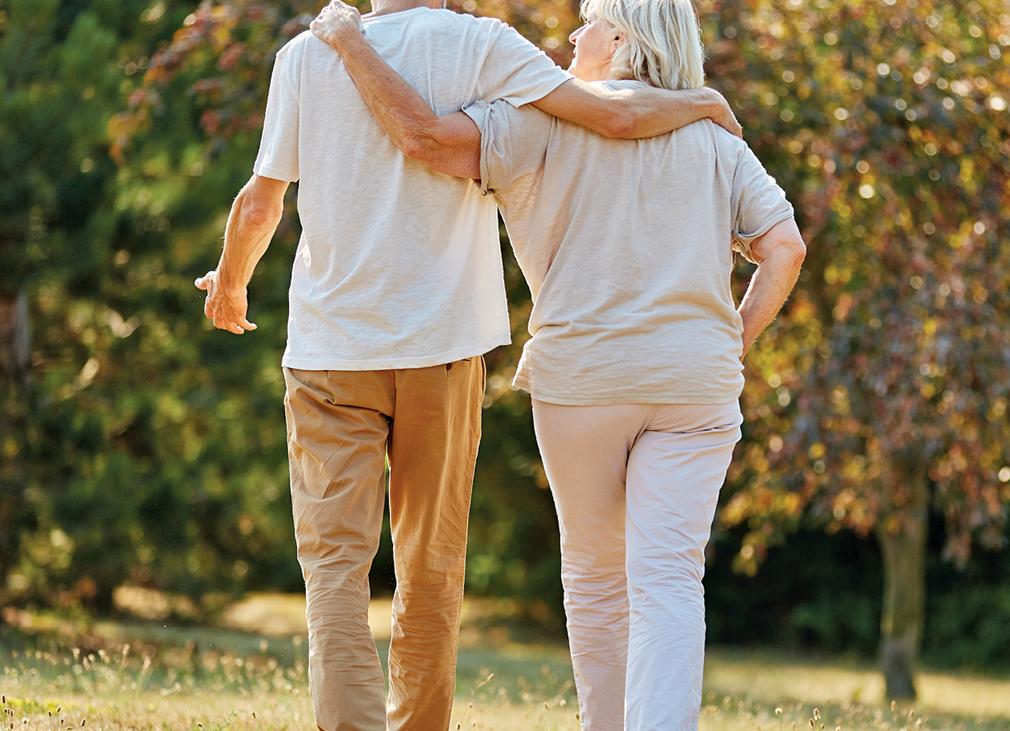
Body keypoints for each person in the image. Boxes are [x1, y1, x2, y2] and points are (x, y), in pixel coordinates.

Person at [193, 0, 743, 729]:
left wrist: (231, 281)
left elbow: (262, 201)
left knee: (333, 567)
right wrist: (702, 101)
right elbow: (613, 114)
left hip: (331, 354)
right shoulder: (483, 45)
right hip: (443, 348)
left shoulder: (306, 53)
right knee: (430, 564)